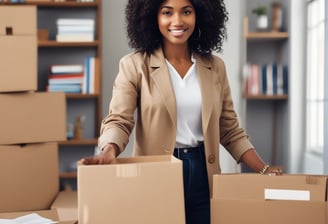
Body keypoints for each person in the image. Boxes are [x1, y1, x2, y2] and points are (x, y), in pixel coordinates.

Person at [80, 0, 282, 223]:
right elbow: (119, 119)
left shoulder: (215, 67)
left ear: (199, 14)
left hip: (204, 171)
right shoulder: (134, 65)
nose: (177, 21)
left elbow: (229, 128)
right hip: (157, 173)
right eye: (167, 12)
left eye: (186, 11)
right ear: (153, 17)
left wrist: (264, 170)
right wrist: (109, 150)